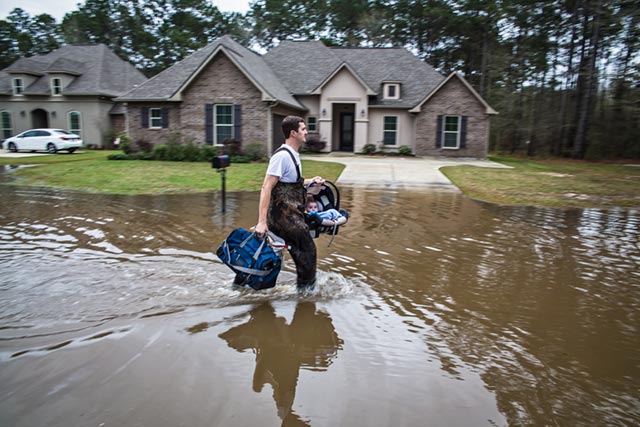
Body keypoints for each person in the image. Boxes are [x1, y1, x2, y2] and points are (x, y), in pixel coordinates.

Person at [255, 116, 324, 289]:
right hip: (282, 218)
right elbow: (266, 188)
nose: (306, 132)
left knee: (304, 245)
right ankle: (306, 293)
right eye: (303, 129)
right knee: (308, 250)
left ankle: (300, 283)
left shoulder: (293, 155)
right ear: (293, 133)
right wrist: (262, 222)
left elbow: (291, 182)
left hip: (292, 214)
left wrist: (310, 181)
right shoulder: (282, 157)